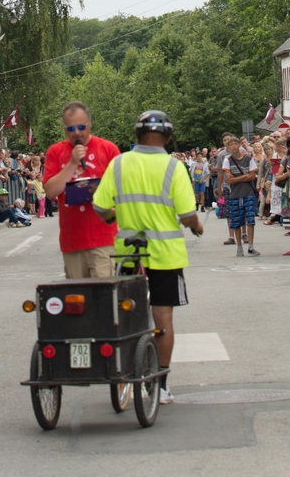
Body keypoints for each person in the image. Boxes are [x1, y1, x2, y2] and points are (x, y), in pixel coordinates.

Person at [92, 111, 202, 406]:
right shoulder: (173, 167)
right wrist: (197, 227)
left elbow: (100, 207)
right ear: (167, 137)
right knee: (163, 319)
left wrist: (115, 214)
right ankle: (160, 385)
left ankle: (128, 372)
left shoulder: (118, 164)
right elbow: (188, 214)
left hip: (128, 254)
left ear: (137, 136)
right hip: (165, 256)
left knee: (127, 316)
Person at [42, 103, 120, 279]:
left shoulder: (108, 149)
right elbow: (50, 192)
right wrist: (72, 164)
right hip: (72, 242)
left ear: (89, 124)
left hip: (103, 239)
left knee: (103, 297)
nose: (76, 132)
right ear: (64, 129)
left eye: (81, 127)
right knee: (77, 300)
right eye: (71, 128)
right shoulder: (55, 151)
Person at [220, 136, 259, 256]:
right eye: (231, 144)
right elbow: (229, 180)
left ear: (239, 145)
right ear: (228, 147)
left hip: (248, 193)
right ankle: (239, 247)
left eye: (235, 143)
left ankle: (251, 246)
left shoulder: (248, 158)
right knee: (236, 221)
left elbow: (252, 176)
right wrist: (244, 176)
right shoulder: (228, 160)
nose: (233, 146)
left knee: (250, 220)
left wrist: (237, 178)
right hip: (235, 194)